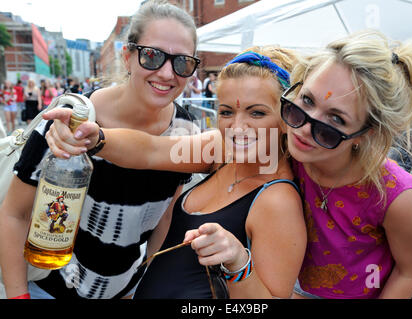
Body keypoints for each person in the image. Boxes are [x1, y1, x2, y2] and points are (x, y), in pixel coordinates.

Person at [43, 46, 307, 299]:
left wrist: (239, 263)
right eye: (227, 112)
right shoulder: (222, 150)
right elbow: (151, 151)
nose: (237, 127)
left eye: (257, 113)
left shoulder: (278, 201)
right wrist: (96, 138)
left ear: (287, 117)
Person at [0, 0, 200, 299]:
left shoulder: (187, 131)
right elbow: (14, 214)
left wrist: (147, 286)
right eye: (153, 56)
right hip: (48, 290)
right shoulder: (70, 118)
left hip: (124, 291)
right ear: (128, 56)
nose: (168, 73)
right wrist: (18, 295)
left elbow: (165, 221)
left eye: (182, 62)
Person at [281, 30, 412, 299]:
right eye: (307, 100)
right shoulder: (287, 151)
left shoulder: (396, 196)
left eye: (336, 120)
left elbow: (409, 272)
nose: (304, 127)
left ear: (367, 133)